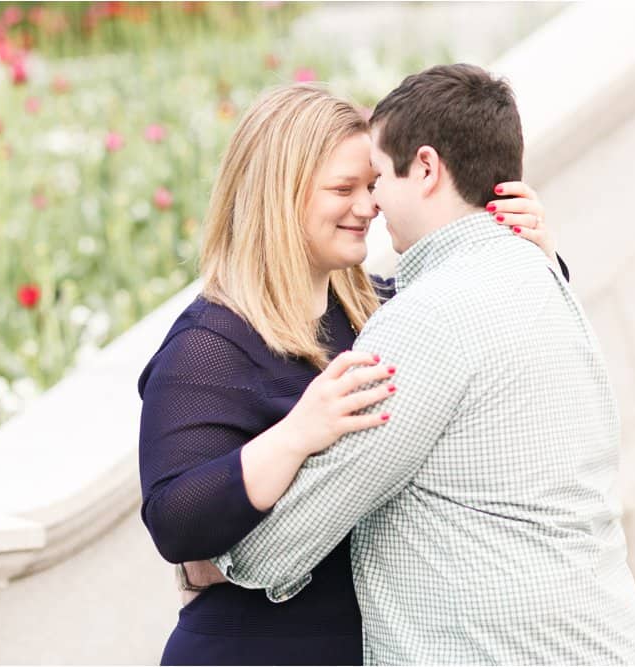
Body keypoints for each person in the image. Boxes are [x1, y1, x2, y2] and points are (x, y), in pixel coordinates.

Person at [200, 65, 635, 664]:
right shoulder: (543, 275)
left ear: (427, 168)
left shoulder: (429, 320)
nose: (372, 203)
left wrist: (214, 559)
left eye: (380, 177)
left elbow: (274, 550)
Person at [137, 80, 568, 665]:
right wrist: (295, 436)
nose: (368, 207)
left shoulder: (385, 309)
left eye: (371, 186)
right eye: (343, 189)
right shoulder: (210, 344)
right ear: (276, 196)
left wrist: (531, 255)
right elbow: (176, 522)